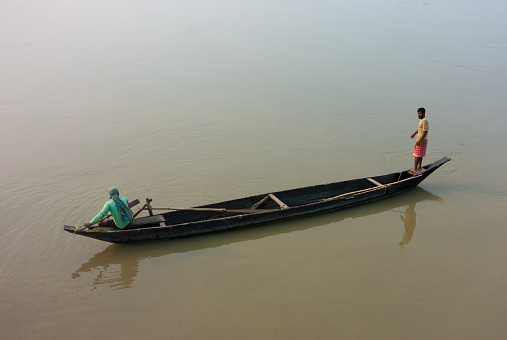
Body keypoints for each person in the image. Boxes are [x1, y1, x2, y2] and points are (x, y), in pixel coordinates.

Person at [410, 107, 428, 172]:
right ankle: (419, 167)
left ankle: (415, 168)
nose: (418, 115)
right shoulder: (422, 121)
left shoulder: (424, 121)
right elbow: (420, 129)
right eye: (418, 113)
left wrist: (419, 140)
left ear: (424, 113)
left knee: (417, 155)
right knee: (420, 154)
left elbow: (425, 131)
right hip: (421, 139)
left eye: (420, 113)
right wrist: (414, 134)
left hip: (421, 140)